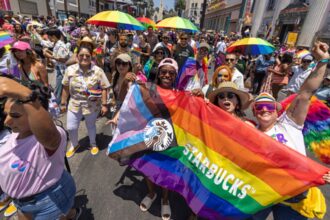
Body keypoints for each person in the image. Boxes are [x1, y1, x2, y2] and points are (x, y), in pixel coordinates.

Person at [250, 41, 330, 220]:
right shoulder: (250, 133)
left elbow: (306, 93)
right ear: (254, 112)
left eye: (269, 106)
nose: (264, 109)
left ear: (276, 109)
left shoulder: (289, 123)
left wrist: (323, 61)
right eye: (259, 106)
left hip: (295, 194)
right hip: (263, 192)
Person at [0, 76, 81, 220]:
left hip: (48, 200)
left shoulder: (50, 136)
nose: (7, 121)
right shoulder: (14, 133)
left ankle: (71, 214)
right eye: (6, 114)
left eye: (15, 115)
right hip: (22, 203)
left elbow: (50, 138)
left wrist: (27, 96)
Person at [139, 58, 180, 220]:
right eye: (164, 71)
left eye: (171, 73)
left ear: (175, 76)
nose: (167, 75)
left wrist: (200, 97)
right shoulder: (148, 89)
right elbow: (127, 100)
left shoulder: (180, 95)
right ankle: (151, 193)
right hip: (149, 135)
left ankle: (164, 199)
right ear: (158, 73)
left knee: (166, 170)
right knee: (148, 167)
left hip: (171, 139)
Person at [62, 46, 110, 158]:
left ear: (91, 56)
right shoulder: (70, 70)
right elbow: (65, 87)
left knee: (91, 125)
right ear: (77, 56)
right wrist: (63, 102)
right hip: (74, 103)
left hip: (92, 105)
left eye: (87, 56)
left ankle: (93, 144)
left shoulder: (98, 71)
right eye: (81, 55)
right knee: (71, 127)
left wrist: (104, 104)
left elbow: (104, 87)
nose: (84, 57)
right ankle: (74, 145)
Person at [45, 28, 70, 104]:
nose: (48, 38)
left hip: (62, 69)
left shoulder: (61, 45)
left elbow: (64, 60)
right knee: (60, 87)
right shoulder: (56, 44)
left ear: (53, 36)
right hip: (59, 68)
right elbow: (57, 55)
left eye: (49, 36)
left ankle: (57, 104)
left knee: (59, 87)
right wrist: (48, 52)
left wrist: (50, 56)